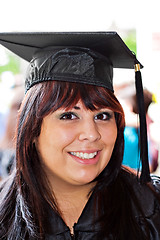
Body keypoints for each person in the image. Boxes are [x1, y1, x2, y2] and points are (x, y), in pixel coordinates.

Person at [0, 32, 160, 240]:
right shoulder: (5, 216)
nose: (91, 134)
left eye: (102, 115)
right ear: (32, 129)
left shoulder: (152, 208)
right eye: (68, 115)